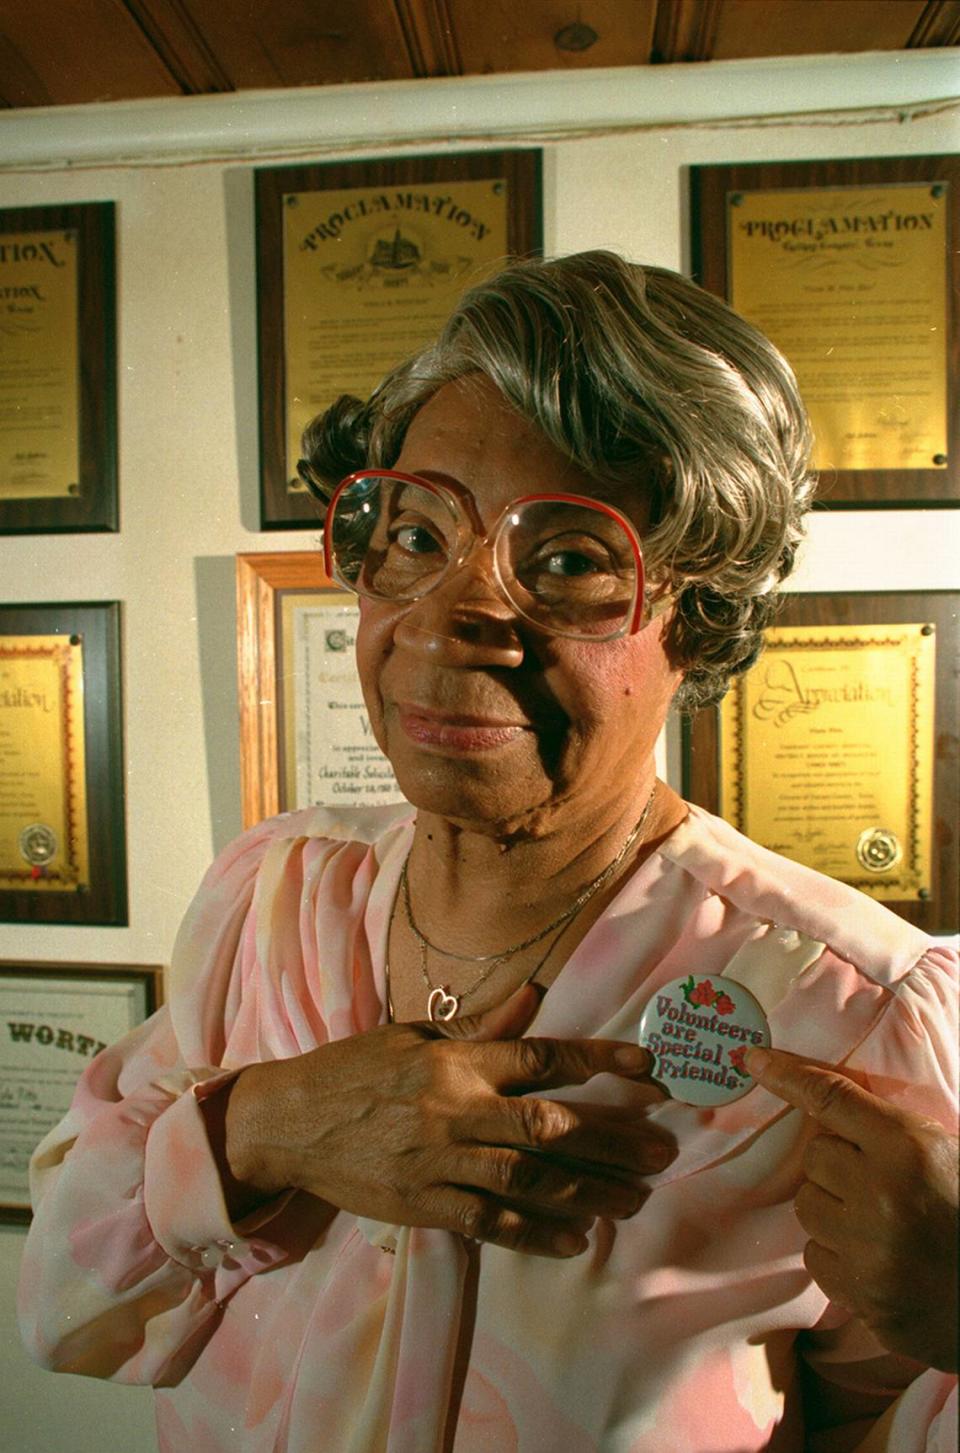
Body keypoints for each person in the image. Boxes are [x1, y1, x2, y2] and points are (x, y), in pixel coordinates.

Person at [18, 251, 957, 1452]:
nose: (450, 611)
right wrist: (254, 1130)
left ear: (700, 618)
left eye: (566, 558)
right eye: (413, 532)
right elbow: (65, 1305)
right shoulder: (271, 898)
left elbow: (877, 1415)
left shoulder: (851, 1008)